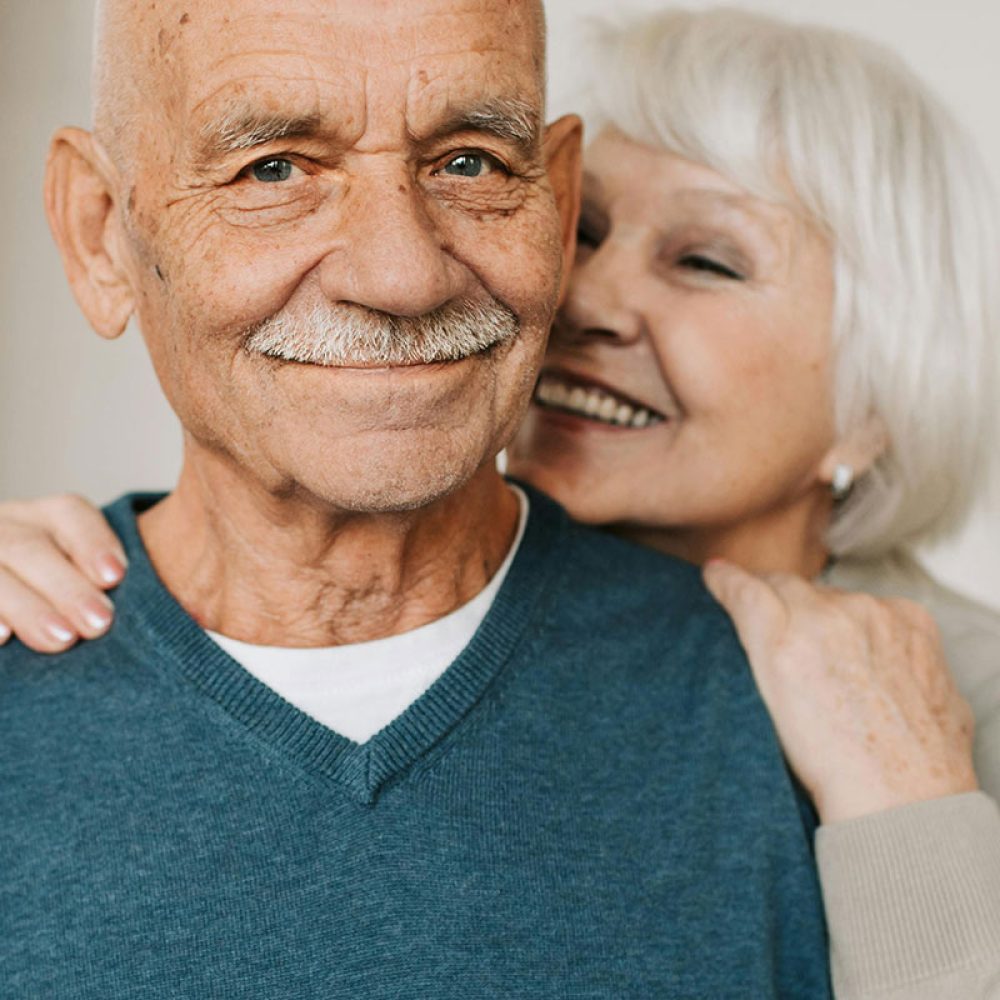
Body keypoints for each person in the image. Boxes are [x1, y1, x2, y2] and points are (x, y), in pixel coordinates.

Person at [4, 6, 1000, 999]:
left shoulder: (882, 725)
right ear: (101, 232)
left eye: (471, 162)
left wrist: (909, 812)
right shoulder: (40, 625)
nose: (584, 300)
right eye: (272, 167)